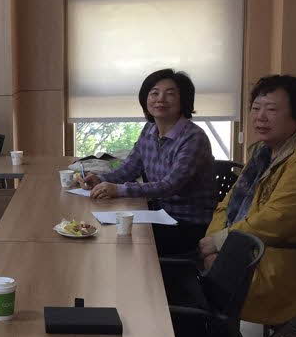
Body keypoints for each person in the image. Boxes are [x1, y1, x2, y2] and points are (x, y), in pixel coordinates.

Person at [198, 75, 296, 324]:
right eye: (256, 108)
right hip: (249, 249)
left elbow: (276, 221)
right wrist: (214, 240)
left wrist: (219, 243)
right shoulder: (263, 151)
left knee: (190, 291)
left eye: (271, 110)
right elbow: (228, 204)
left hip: (276, 265)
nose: (260, 117)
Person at [80, 69, 216, 256]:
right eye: (154, 93)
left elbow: (169, 186)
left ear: (184, 100)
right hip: (158, 214)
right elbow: (129, 168)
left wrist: (118, 190)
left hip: (187, 224)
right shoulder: (149, 129)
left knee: (116, 238)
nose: (160, 99)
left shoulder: (193, 138)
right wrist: (100, 180)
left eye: (170, 94)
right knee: (104, 227)